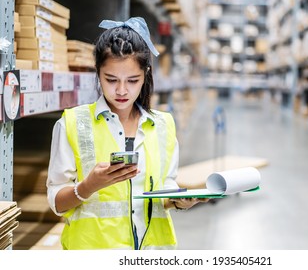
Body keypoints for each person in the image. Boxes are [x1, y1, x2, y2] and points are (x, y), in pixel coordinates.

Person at [47, 17, 207, 250]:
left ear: (146, 76)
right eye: (111, 80)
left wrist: (178, 201)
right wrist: (89, 185)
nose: (121, 91)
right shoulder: (72, 124)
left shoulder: (163, 125)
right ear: (98, 73)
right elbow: (57, 203)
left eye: (133, 80)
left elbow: (164, 189)